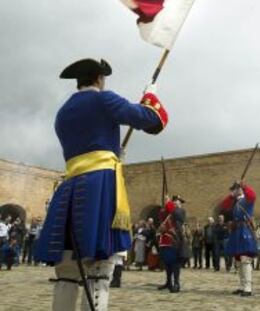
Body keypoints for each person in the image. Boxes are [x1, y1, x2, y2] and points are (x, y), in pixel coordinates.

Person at [35, 58, 168, 311]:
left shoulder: (63, 111)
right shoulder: (104, 99)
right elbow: (147, 119)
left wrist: (113, 151)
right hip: (100, 186)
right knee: (99, 267)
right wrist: (150, 97)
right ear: (98, 79)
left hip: (70, 187)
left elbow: (89, 144)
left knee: (67, 270)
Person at [221, 181, 257, 297]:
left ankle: (248, 287)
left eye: (236, 189)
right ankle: (242, 286)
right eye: (234, 189)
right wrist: (232, 195)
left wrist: (244, 186)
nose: (235, 191)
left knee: (245, 259)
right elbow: (224, 205)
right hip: (236, 231)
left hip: (244, 230)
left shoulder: (246, 200)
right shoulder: (235, 202)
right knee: (238, 260)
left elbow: (253, 195)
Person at [158, 195, 186, 293]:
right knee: (167, 263)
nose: (177, 203)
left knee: (175, 263)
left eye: (179, 201)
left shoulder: (180, 211)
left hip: (174, 241)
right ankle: (168, 282)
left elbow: (179, 218)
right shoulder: (168, 211)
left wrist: (170, 205)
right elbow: (161, 216)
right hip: (165, 240)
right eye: (176, 201)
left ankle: (176, 283)